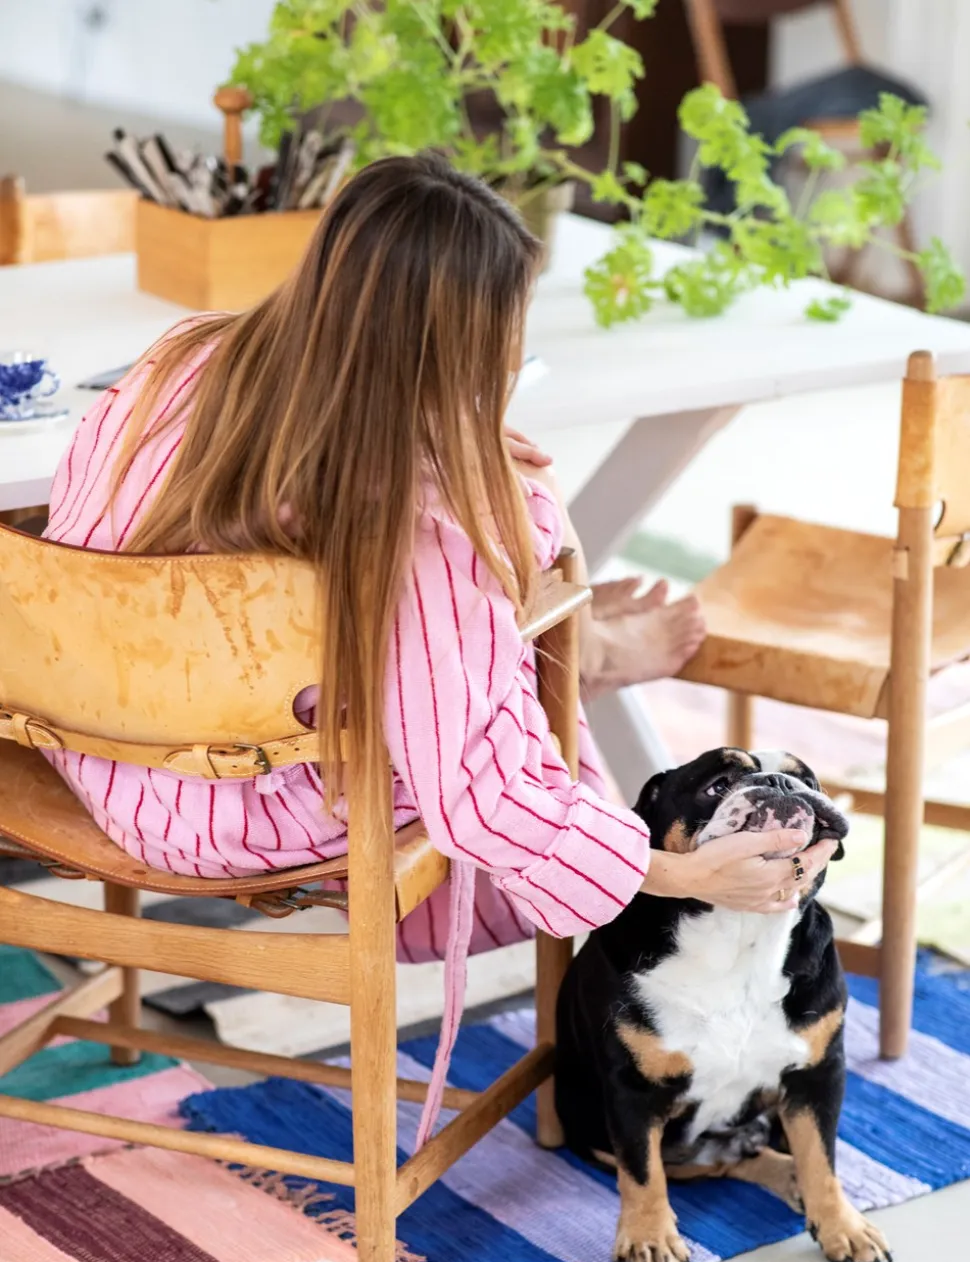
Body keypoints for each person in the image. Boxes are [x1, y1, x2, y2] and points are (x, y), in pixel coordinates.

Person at [43, 153, 833, 967]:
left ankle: (570, 650)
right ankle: (574, 651)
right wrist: (677, 872)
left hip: (92, 756)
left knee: (466, 605)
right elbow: (473, 796)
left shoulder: (178, 360)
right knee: (490, 701)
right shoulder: (418, 517)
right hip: (233, 816)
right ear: (470, 345)